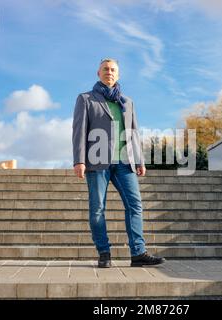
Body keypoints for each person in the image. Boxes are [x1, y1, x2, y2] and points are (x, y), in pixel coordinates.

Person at [72, 58, 166, 268]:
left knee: (135, 205)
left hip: (125, 162)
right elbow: (79, 130)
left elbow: (134, 132)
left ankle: (138, 253)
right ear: (98, 73)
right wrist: (79, 160)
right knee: (97, 208)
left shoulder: (127, 101)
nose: (109, 72)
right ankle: (104, 253)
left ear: (118, 74)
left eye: (113, 69)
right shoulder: (86, 99)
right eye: (105, 69)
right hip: (97, 162)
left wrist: (140, 160)